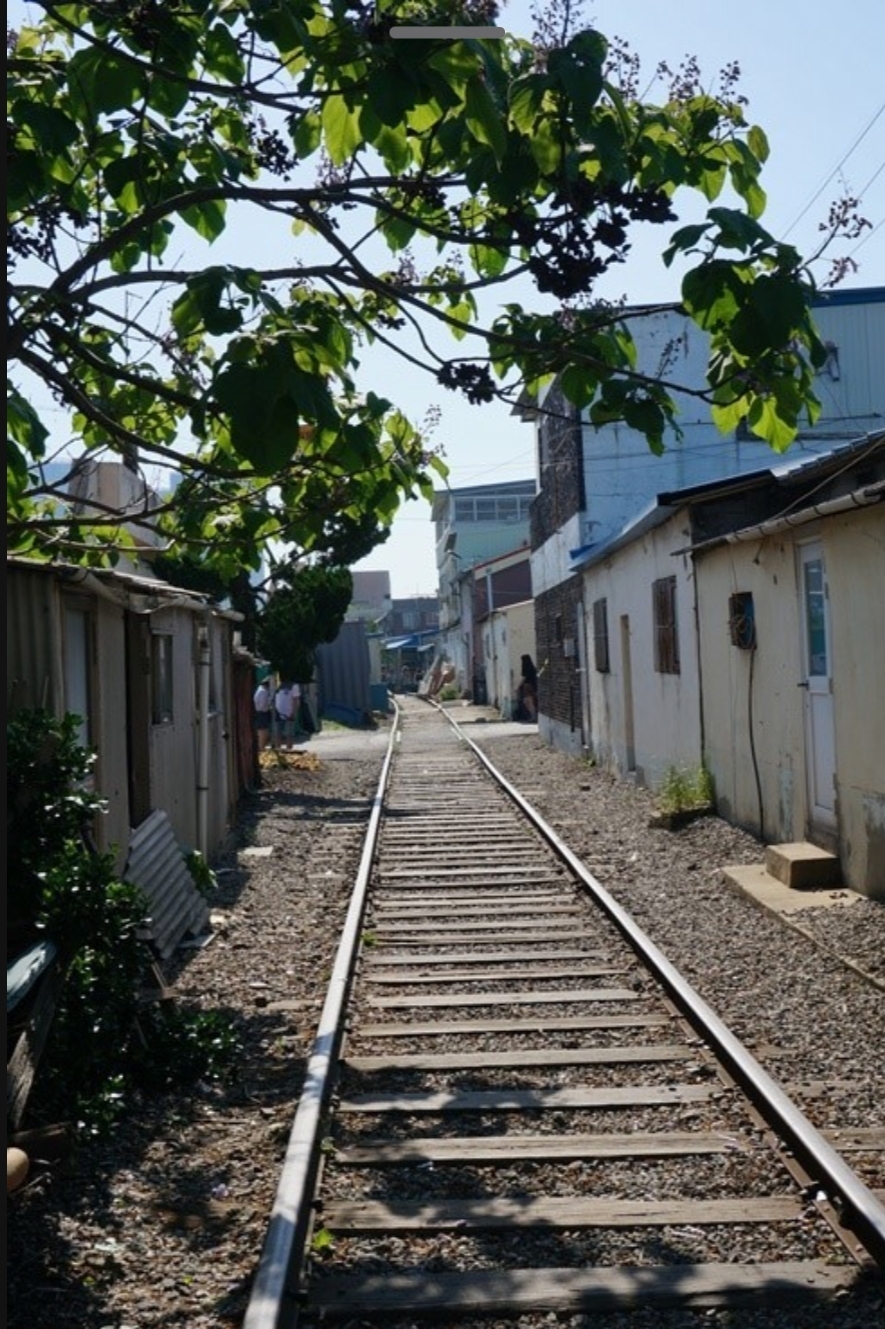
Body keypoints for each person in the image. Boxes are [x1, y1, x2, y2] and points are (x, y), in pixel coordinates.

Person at [253, 677, 274, 752]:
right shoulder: (263, 692)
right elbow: (262, 706)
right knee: (263, 732)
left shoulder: (260, 690)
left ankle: (262, 747)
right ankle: (261, 748)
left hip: (260, 713)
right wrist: (269, 706)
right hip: (262, 713)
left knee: (263, 731)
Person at [517, 654, 538, 722]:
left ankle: (533, 716)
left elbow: (524, 678)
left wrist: (518, 686)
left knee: (528, 702)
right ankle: (533, 716)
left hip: (527, 686)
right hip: (532, 686)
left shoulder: (525, 668)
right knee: (529, 702)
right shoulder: (533, 668)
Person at [274, 682, 295, 748]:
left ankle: (289, 751)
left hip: (289, 713)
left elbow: (296, 700)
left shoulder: (293, 685)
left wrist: (293, 712)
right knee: (277, 734)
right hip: (278, 712)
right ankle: (278, 750)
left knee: (289, 734)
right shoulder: (276, 684)